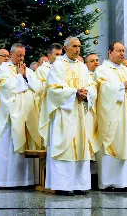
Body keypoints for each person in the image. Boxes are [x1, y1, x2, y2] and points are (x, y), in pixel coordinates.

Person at [39, 37, 97, 196]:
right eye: (74, 46)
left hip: (79, 113)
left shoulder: (82, 66)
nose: (77, 49)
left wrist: (87, 94)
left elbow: (92, 86)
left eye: (79, 46)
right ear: (65, 48)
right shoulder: (58, 64)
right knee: (64, 147)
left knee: (80, 147)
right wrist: (73, 92)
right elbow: (53, 90)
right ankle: (63, 185)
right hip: (64, 114)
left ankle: (80, 184)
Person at [95, 42, 127, 191]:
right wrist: (121, 86)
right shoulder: (102, 70)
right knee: (114, 143)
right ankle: (111, 182)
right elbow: (102, 88)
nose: (122, 54)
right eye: (119, 51)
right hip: (113, 115)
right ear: (110, 52)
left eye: (123, 51)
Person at [0, 43, 41, 187]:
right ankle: (7, 181)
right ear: (11, 55)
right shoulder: (2, 69)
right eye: (19, 55)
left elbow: (37, 87)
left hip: (26, 113)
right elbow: (5, 88)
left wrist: (24, 76)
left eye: (23, 55)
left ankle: (27, 180)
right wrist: (20, 77)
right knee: (9, 145)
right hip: (9, 115)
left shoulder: (28, 70)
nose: (21, 57)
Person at [35, 43, 63, 107]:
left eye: (61, 54)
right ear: (49, 56)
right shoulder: (41, 70)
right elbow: (40, 89)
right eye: (57, 54)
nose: (60, 57)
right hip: (48, 103)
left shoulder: (65, 68)